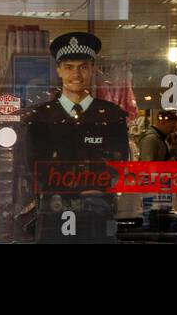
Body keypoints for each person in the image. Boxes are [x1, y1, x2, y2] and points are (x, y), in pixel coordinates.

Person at [20, 32, 130, 243]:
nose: (76, 74)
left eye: (83, 67)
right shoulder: (41, 117)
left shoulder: (111, 116)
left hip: (97, 210)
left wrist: (96, 186)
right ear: (59, 70)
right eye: (69, 67)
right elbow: (33, 166)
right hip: (55, 209)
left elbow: (119, 162)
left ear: (93, 69)